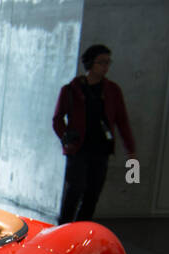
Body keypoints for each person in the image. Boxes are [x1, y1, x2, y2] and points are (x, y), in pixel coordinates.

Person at [53, 44, 136, 224]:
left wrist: (130, 149)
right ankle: (64, 228)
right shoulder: (71, 90)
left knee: (93, 193)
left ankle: (82, 229)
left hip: (101, 148)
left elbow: (122, 121)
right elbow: (58, 118)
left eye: (108, 63)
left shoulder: (112, 91)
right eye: (101, 62)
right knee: (75, 190)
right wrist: (65, 138)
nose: (105, 67)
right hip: (78, 148)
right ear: (90, 64)